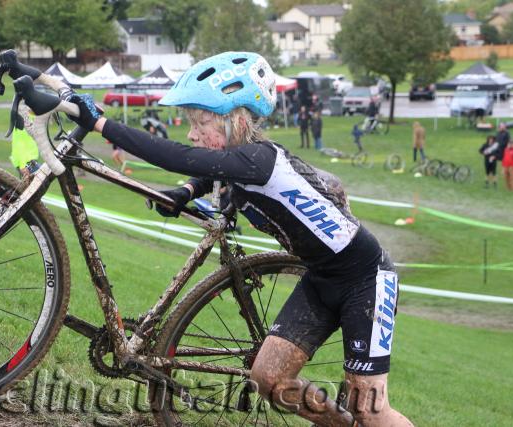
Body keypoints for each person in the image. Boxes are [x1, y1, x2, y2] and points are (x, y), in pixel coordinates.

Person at [67, 51, 412, 426]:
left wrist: (101, 124)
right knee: (269, 380)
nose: (191, 133)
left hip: (366, 281)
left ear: (235, 119)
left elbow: (178, 156)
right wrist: (188, 190)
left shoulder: (258, 161)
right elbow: (211, 173)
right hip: (321, 278)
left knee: (370, 407)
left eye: (200, 122)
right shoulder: (244, 163)